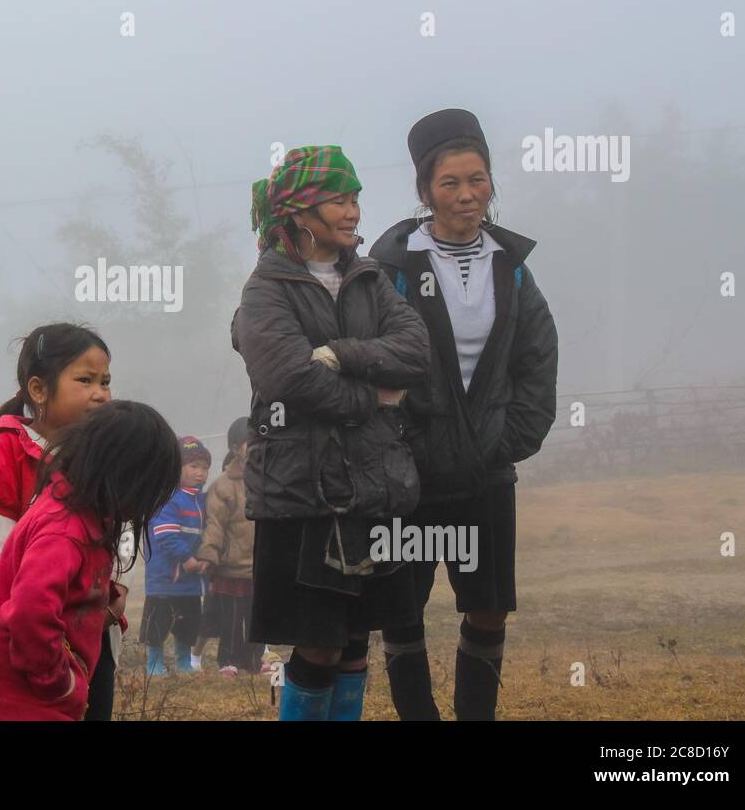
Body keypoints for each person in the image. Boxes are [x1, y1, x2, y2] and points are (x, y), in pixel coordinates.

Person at [371, 109, 559, 720]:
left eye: (477, 179)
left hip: (485, 472)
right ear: (424, 191)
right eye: (449, 183)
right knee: (402, 609)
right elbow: (371, 360)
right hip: (409, 480)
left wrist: (510, 439)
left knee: (487, 606)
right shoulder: (392, 269)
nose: (466, 194)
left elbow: (536, 359)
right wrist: (396, 444)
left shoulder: (513, 267)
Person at [233, 145, 431, 720]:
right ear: (300, 213)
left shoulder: (368, 278)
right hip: (303, 495)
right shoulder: (266, 290)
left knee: (353, 641)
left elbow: (416, 353)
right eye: (339, 200)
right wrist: (373, 396)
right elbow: (287, 378)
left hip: (371, 488)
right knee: (315, 642)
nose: (352, 211)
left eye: (355, 199)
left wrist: (340, 352)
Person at [0, 400, 180, 720]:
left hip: (20, 697)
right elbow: (30, 612)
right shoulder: (65, 529)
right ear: (124, 478)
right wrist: (57, 682)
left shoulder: (83, 514)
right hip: (4, 698)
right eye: (147, 493)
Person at [0, 323, 126, 719]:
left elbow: (117, 542)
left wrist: (114, 592)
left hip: (93, 630)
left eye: (105, 381)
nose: (101, 394)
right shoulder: (6, 454)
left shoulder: (104, 457)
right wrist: (36, 614)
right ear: (38, 390)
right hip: (31, 635)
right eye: (85, 380)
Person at [195, 417, 262, 675]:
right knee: (232, 621)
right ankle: (229, 662)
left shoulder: (272, 480)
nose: (257, 448)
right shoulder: (222, 486)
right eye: (250, 443)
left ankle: (254, 662)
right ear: (236, 448)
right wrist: (209, 554)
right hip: (231, 567)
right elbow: (214, 525)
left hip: (262, 566)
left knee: (259, 620)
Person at [141, 436, 210, 676]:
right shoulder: (167, 497)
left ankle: (182, 662)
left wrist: (205, 558)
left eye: (204, 467)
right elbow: (166, 535)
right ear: (175, 468)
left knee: (188, 624)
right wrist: (187, 559)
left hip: (190, 581)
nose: (200, 473)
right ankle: (154, 664)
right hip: (165, 578)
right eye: (193, 466)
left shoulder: (203, 500)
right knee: (158, 624)